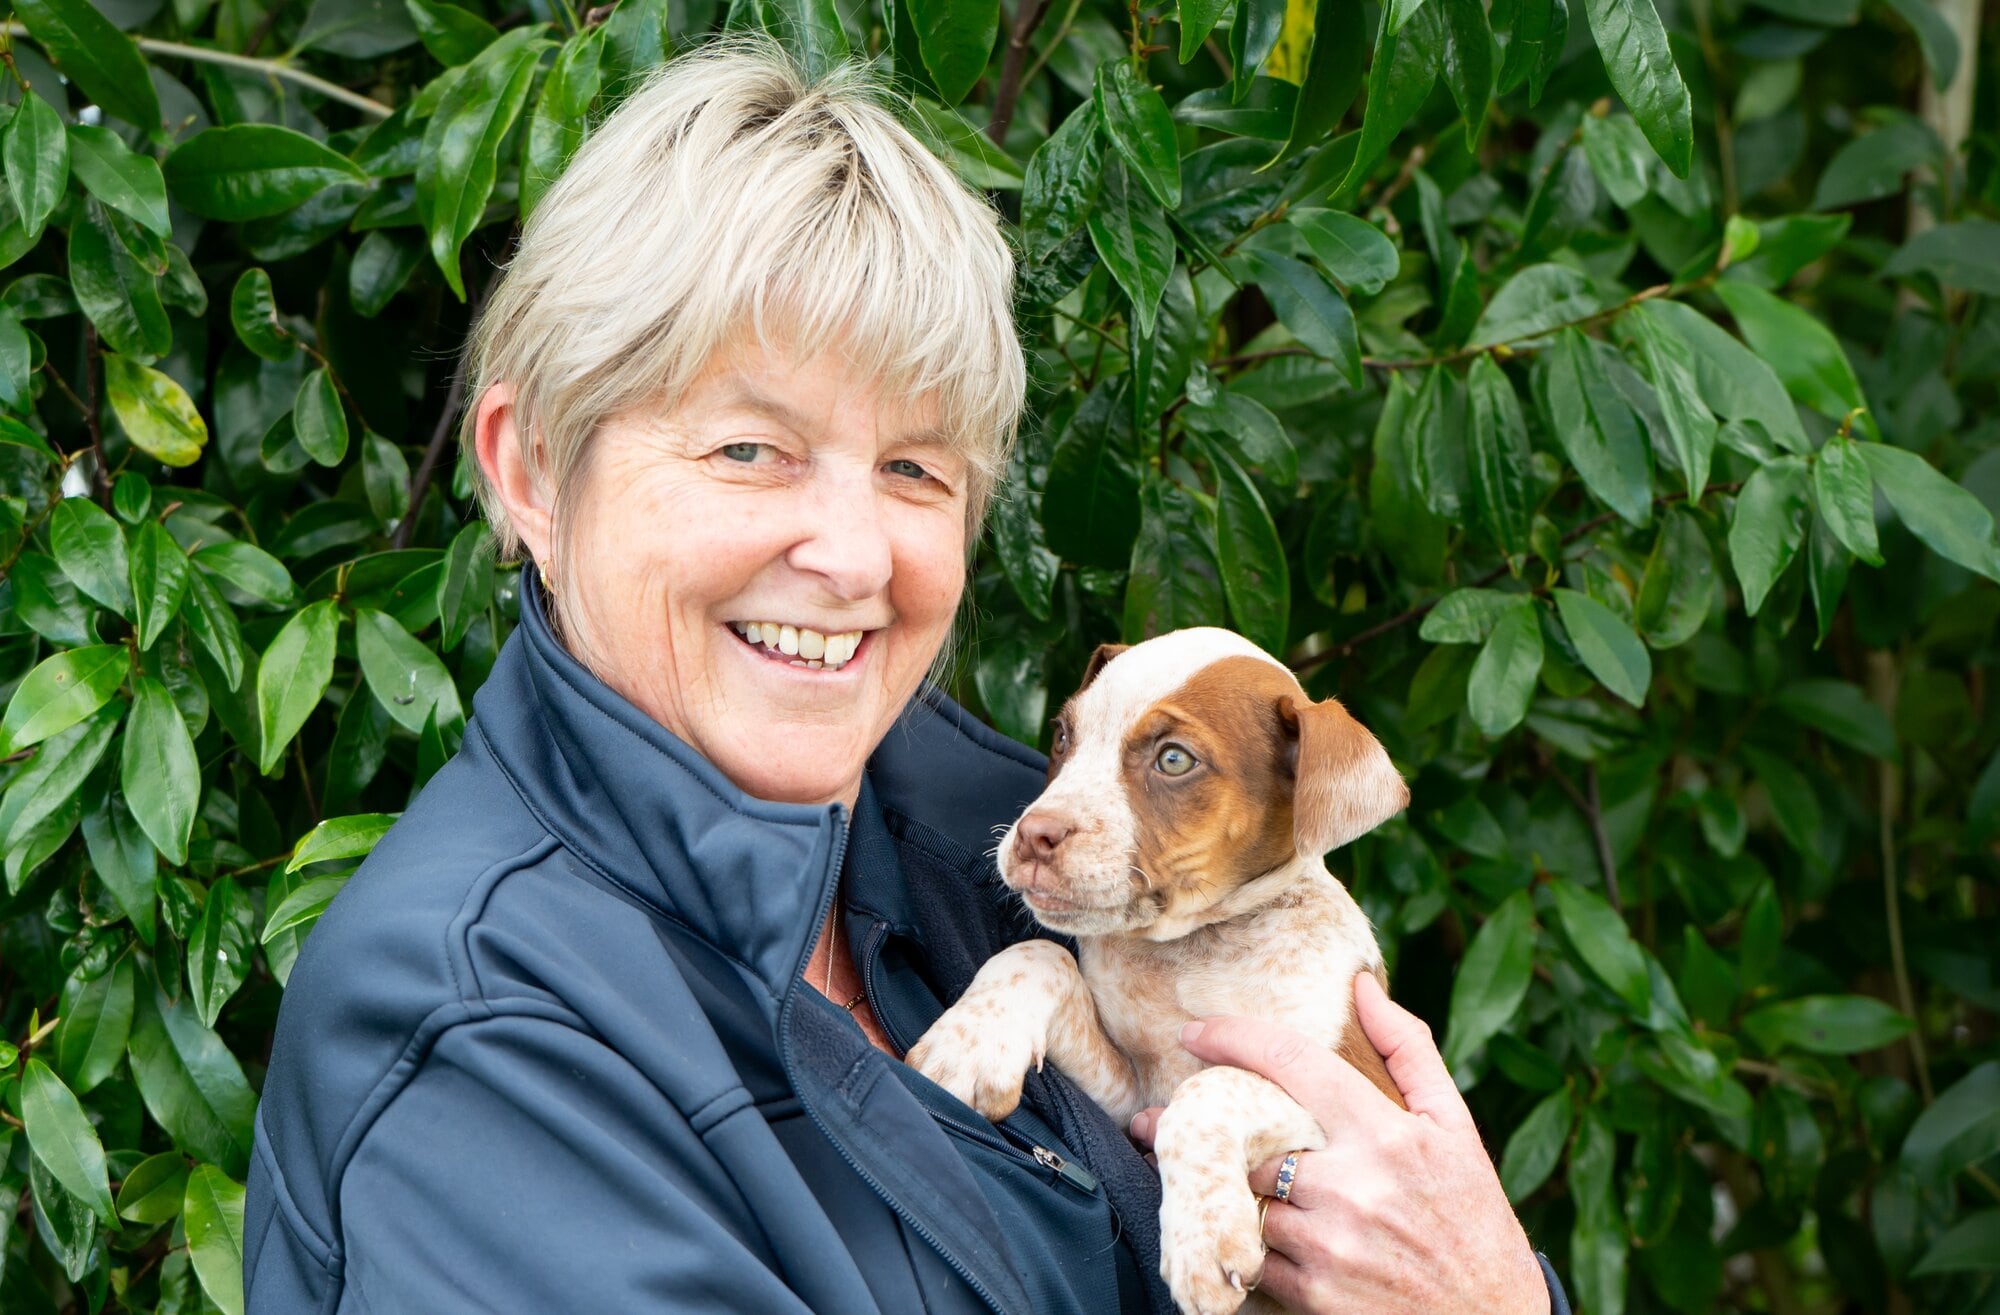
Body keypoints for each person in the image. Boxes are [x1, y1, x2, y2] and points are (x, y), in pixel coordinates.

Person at [244, 38, 1568, 1315]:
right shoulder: (474, 1044)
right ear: (530, 468)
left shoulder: (994, 856)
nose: (849, 553)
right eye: (750, 449)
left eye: (915, 469)